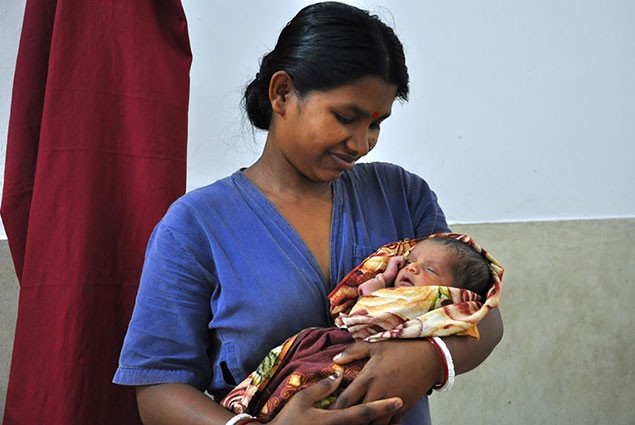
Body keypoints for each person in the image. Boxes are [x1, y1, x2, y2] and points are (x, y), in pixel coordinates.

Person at [113, 2, 504, 425]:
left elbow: (484, 315)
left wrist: (429, 359)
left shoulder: (402, 197)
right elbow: (157, 389)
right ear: (282, 93)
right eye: (346, 117)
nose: (361, 143)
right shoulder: (194, 227)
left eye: (376, 123)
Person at [220, 233, 504, 422]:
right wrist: (383, 280)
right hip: (327, 350)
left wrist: (429, 358)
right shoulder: (196, 220)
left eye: (429, 269)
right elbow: (363, 307)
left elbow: (486, 318)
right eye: (408, 261)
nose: (411, 268)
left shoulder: (443, 306)